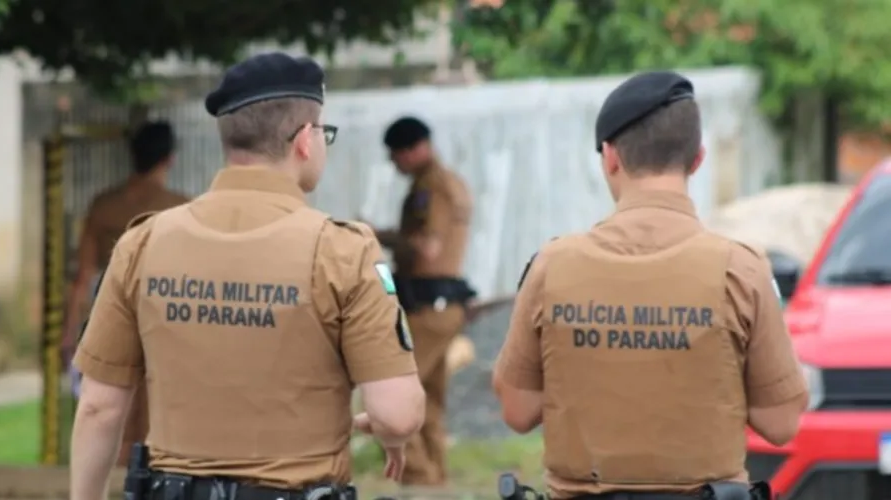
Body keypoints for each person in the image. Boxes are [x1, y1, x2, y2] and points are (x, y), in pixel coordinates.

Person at [70, 52, 425, 500]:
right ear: (303, 140)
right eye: (324, 133)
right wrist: (393, 432)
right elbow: (396, 413)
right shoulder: (345, 251)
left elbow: (99, 407)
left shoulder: (142, 243)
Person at [492, 71, 807, 500]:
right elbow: (781, 423)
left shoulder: (553, 267)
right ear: (697, 158)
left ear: (610, 157)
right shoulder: (741, 269)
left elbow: (518, 409)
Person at [63, 120, 189, 465]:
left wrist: (70, 333)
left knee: (109, 415)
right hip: (162, 324)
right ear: (169, 158)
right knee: (152, 424)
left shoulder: (104, 205)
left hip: (109, 317)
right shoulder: (179, 209)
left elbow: (82, 277)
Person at [369, 116, 474, 487]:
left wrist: (376, 235)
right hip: (444, 305)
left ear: (413, 150)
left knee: (394, 392)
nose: (393, 164)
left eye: (395, 155)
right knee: (427, 396)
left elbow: (427, 248)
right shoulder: (452, 183)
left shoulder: (430, 188)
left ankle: (418, 477)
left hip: (427, 307)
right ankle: (437, 479)